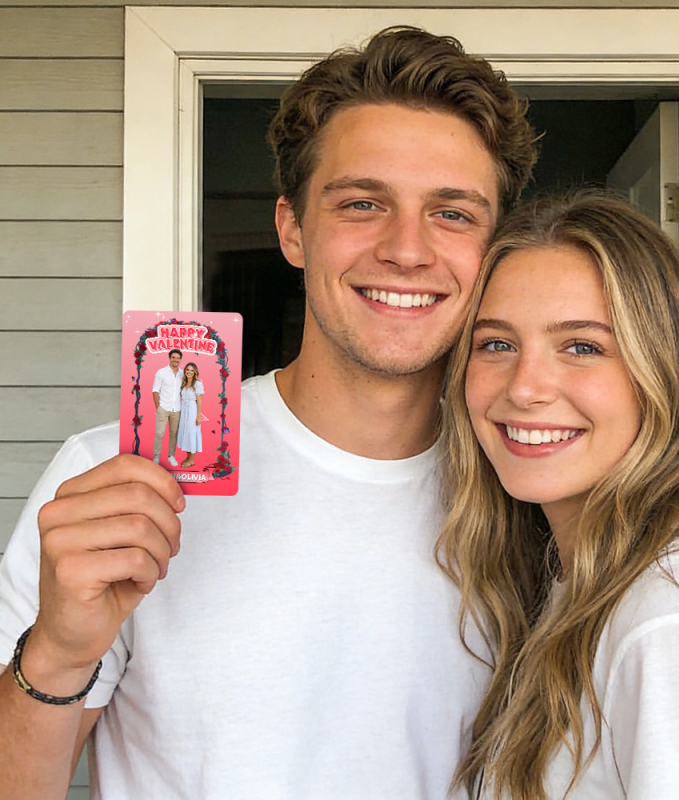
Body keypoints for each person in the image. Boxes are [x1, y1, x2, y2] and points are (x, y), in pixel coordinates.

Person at [0, 26, 538, 799]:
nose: (407, 249)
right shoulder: (115, 478)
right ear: (292, 229)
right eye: (363, 203)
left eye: (452, 214)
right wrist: (56, 652)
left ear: (495, 248)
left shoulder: (533, 490)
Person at [437, 191, 679, 799]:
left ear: (666, 372)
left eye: (582, 347)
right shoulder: (574, 579)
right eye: (496, 344)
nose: (524, 388)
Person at [151, 348, 184, 467]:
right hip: (163, 408)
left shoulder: (182, 374)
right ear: (169, 358)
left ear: (180, 360)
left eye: (178, 358)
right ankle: (156, 457)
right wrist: (158, 407)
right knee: (159, 434)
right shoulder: (161, 372)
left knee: (174, 434)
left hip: (177, 409)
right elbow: (155, 390)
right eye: (173, 357)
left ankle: (171, 456)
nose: (175, 360)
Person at [175, 362, 203, 468]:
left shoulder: (197, 384)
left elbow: (199, 401)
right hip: (184, 410)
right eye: (187, 370)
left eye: (192, 370)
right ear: (185, 371)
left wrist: (198, 416)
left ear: (195, 372)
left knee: (192, 433)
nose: (189, 372)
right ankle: (188, 457)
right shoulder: (184, 383)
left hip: (192, 411)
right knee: (185, 433)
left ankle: (191, 460)